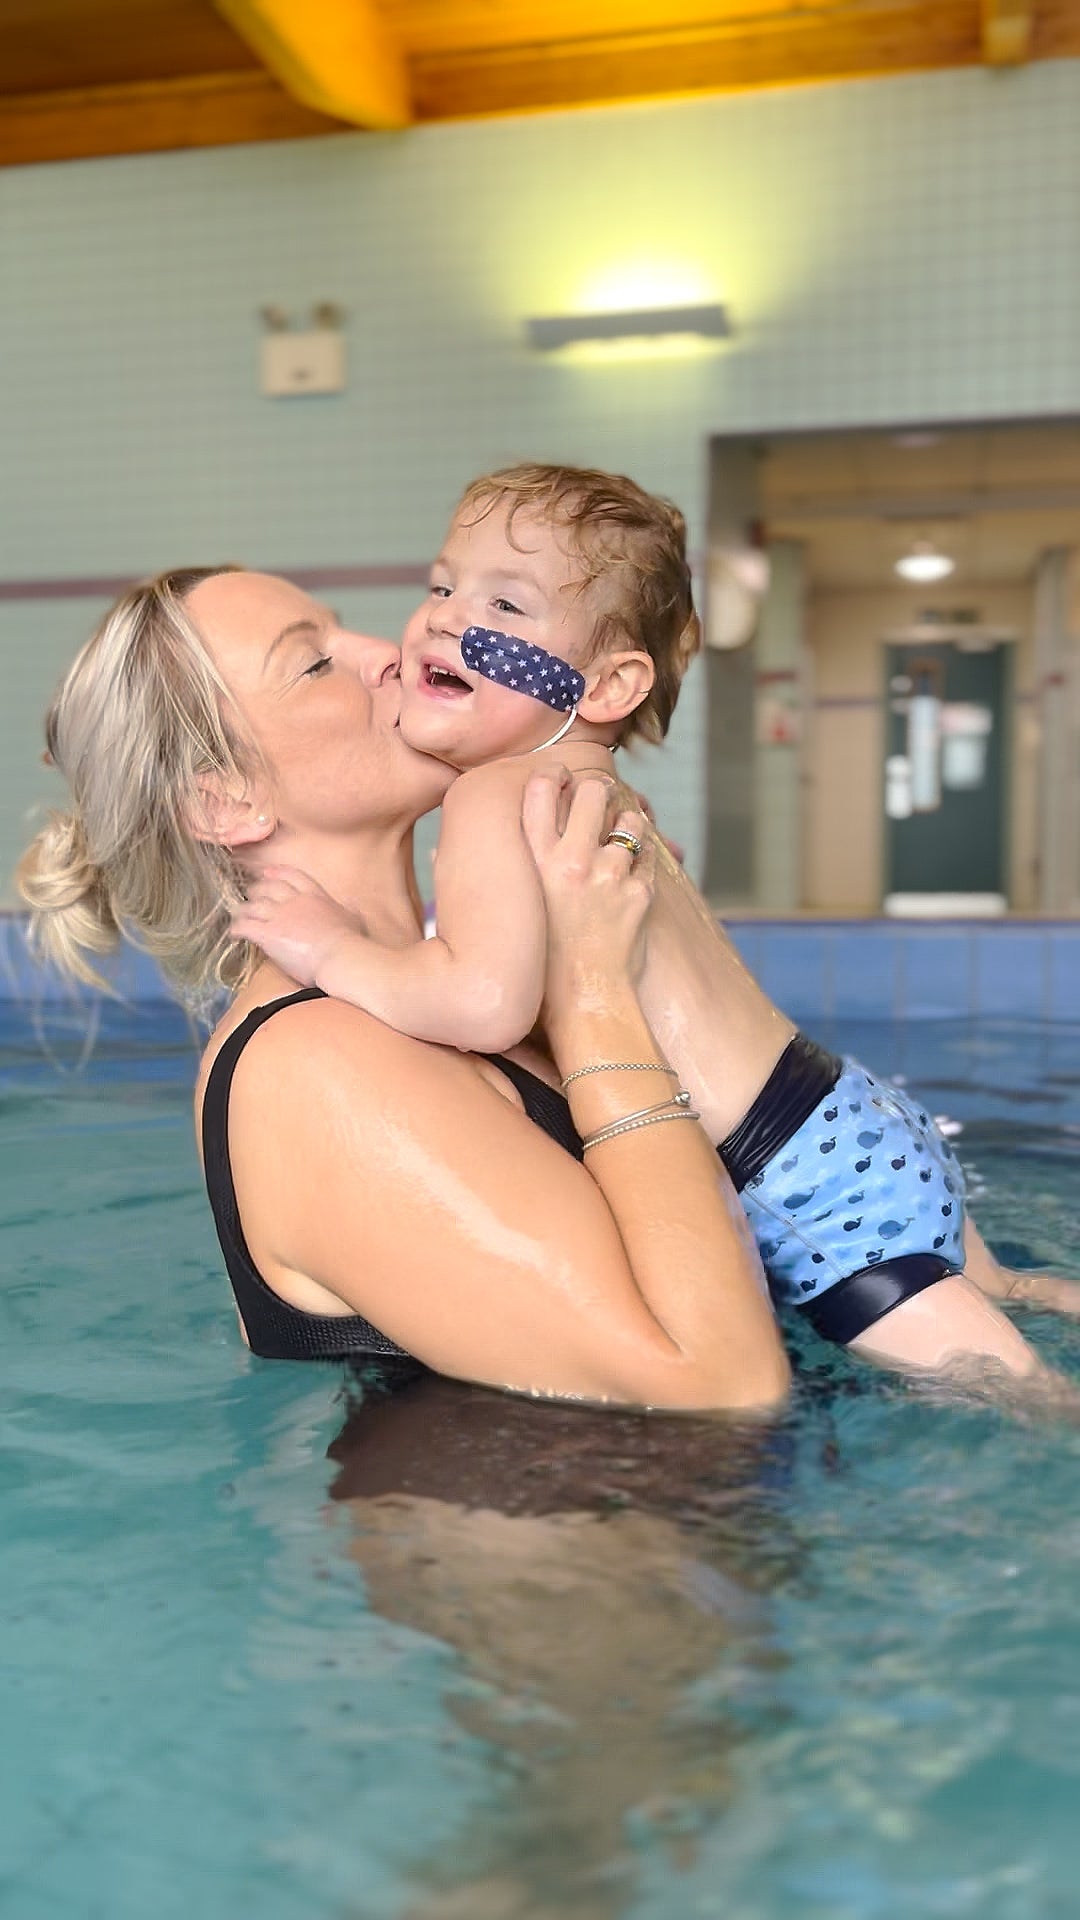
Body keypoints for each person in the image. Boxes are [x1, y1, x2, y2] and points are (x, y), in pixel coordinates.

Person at [231, 464, 1078, 1386]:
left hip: (797, 1188)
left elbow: (481, 1003)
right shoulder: (609, 797)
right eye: (441, 588)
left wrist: (334, 950)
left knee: (1024, 1400)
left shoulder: (495, 797)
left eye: (504, 607)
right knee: (1016, 1300)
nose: (445, 620)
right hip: (849, 1117)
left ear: (606, 686)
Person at [16, 565, 789, 1413]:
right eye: (315, 664)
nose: (389, 651)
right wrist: (595, 991)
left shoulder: (448, 996)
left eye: (346, 627)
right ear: (225, 800)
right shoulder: (314, 1066)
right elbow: (721, 1387)